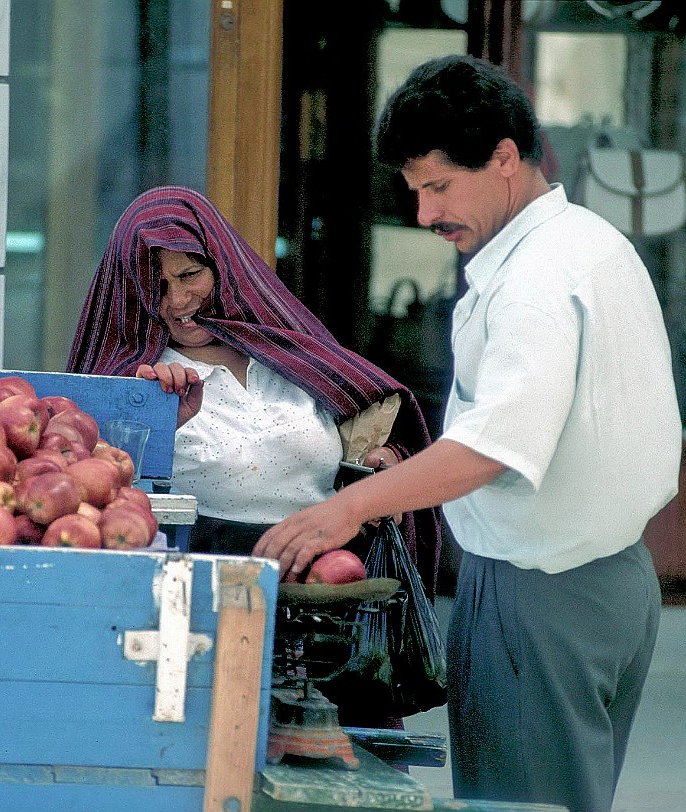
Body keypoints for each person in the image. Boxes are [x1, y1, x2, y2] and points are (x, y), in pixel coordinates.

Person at [253, 55, 682, 812]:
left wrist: (351, 506)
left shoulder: (535, 282)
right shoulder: (594, 243)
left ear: (506, 159)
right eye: (415, 191)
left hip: (539, 597)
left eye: (440, 186)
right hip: (615, 586)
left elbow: (496, 446)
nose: (424, 214)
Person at [66, 185, 444, 726]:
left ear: (224, 266)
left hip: (328, 611)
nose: (176, 301)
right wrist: (154, 425)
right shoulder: (135, 381)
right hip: (200, 619)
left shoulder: (292, 358)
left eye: (190, 275)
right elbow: (97, 489)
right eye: (157, 285)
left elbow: (379, 426)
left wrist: (383, 462)